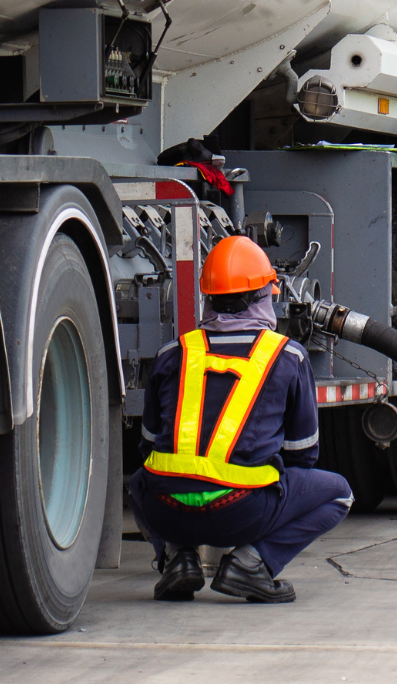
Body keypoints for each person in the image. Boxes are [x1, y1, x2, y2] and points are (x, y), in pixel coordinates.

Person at [129, 234, 352, 603]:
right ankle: (252, 564)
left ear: (209, 297)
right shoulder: (287, 357)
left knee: (141, 480)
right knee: (339, 494)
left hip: (165, 510)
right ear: (264, 295)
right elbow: (303, 455)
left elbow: (148, 445)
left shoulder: (172, 353)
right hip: (242, 513)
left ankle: (176, 559)